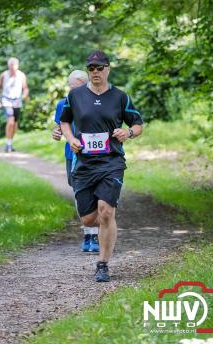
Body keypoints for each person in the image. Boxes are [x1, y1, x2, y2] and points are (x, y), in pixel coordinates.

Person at [60, 50, 143, 282]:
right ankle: (107, 225)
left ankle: (103, 264)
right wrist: (71, 139)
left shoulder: (120, 96)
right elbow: (64, 121)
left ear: (108, 69)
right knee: (88, 219)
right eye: (91, 68)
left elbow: (137, 124)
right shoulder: (75, 95)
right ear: (88, 71)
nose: (95, 72)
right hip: (85, 164)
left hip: (112, 162)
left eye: (100, 68)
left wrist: (127, 133)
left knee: (106, 211)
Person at [53, 70, 100, 253]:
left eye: (78, 89)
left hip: (95, 156)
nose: (75, 94)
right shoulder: (63, 104)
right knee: (80, 194)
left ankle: (94, 234)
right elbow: (60, 127)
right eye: (72, 89)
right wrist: (56, 133)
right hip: (72, 156)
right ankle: (87, 232)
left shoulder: (97, 102)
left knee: (96, 193)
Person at [0, 57, 29, 152]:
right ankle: (8, 144)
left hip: (17, 100)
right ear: (8, 66)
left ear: (17, 66)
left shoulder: (21, 75)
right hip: (7, 100)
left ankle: (10, 143)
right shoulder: (4, 75)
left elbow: (25, 88)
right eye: (11, 66)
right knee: (10, 121)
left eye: (14, 67)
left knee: (15, 124)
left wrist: (24, 96)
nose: (13, 69)